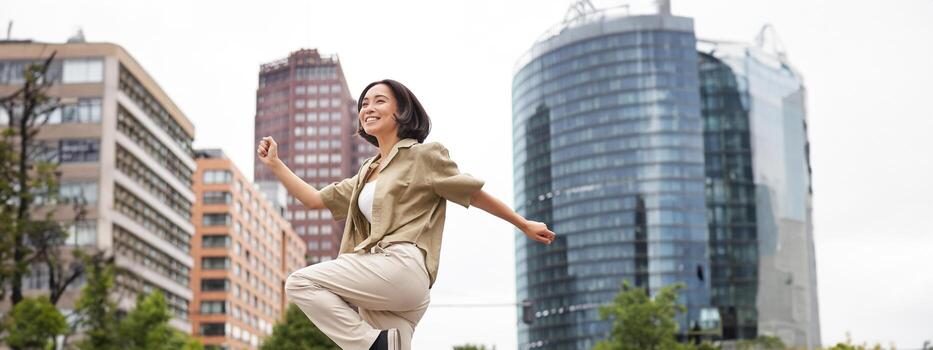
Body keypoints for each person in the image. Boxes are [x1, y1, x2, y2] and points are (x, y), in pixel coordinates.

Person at [257, 79, 556, 350]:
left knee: (300, 283)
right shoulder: (366, 172)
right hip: (386, 286)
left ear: (401, 112)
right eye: (364, 103)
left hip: (401, 266)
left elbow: (473, 193)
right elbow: (314, 200)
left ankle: (371, 344)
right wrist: (275, 164)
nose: (368, 108)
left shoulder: (423, 156)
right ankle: (378, 345)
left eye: (379, 101)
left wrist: (523, 223)